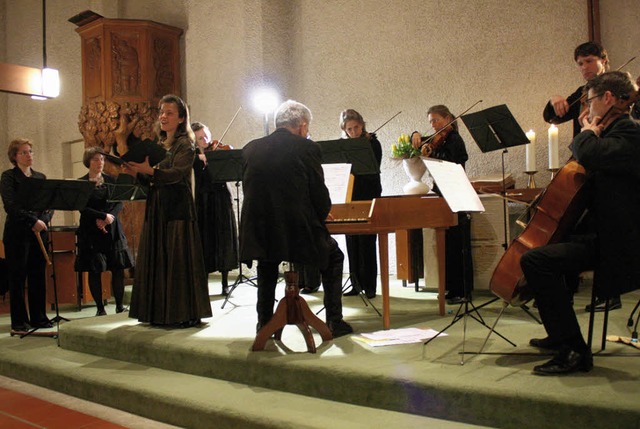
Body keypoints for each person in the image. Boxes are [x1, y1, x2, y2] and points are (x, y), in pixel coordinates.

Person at [522, 71, 640, 375]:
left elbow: (589, 153)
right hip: (600, 234)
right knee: (547, 253)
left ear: (608, 98)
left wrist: (587, 131)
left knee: (536, 261)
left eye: (589, 100)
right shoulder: (612, 132)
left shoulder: (629, 133)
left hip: (619, 242)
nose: (585, 109)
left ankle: (574, 350)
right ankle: (560, 334)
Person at [240, 100, 353, 338]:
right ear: (302, 126)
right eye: (308, 127)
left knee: (267, 263)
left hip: (259, 233)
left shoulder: (251, 148)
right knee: (334, 256)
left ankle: (264, 323)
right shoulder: (307, 148)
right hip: (296, 232)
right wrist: (320, 216)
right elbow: (319, 195)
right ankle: (334, 320)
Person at [542, 41, 618, 312]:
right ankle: (567, 290)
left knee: (603, 230)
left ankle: (609, 293)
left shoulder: (615, 89)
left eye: (589, 61)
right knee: (571, 227)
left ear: (603, 60)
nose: (584, 67)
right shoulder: (582, 93)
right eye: (580, 63)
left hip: (606, 168)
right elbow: (552, 116)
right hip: (582, 166)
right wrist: (554, 101)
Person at [125, 94, 212, 328]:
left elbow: (177, 174)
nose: (163, 116)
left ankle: (182, 313)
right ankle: (158, 313)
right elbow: (152, 180)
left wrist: (150, 172)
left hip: (177, 209)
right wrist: (139, 173)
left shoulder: (186, 144)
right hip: (158, 207)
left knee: (177, 259)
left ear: (181, 117)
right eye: (161, 112)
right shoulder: (159, 144)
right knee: (158, 257)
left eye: (170, 112)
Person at [410, 105, 473, 304]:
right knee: (446, 242)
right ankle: (450, 287)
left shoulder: (455, 139)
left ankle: (461, 290)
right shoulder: (438, 139)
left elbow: (452, 164)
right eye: (430, 121)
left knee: (457, 244)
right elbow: (413, 140)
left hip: (455, 192)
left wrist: (432, 156)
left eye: (436, 120)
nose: (433, 125)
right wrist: (415, 134)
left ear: (447, 118)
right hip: (442, 193)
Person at [74, 147, 134, 316]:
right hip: (91, 230)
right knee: (95, 269)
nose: (99, 162)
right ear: (88, 162)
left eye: (101, 159)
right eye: (95, 159)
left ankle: (120, 306)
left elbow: (119, 202)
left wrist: (109, 217)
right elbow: (82, 206)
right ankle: (100, 308)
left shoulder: (112, 180)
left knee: (117, 268)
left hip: (112, 228)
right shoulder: (81, 183)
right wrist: (101, 216)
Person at [1, 138, 53, 332]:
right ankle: (19, 321)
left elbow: (49, 204)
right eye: (24, 152)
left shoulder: (40, 177)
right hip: (17, 234)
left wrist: (44, 221)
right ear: (15, 156)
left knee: (38, 276)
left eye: (30, 151)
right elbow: (11, 206)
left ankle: (39, 317)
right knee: (17, 277)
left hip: (39, 232)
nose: (29, 155)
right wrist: (33, 221)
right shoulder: (9, 177)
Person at [191, 121, 238, 296]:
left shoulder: (218, 152)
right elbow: (190, 161)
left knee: (224, 238)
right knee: (205, 239)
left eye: (206, 136)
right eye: (200, 138)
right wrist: (200, 157)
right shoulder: (193, 155)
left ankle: (225, 283)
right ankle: (203, 282)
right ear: (195, 141)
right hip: (204, 201)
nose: (206, 140)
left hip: (222, 198)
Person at [339, 109, 382, 299]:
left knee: (367, 240)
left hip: (369, 194)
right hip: (350, 195)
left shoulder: (373, 143)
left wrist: (364, 144)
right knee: (352, 239)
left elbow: (374, 167)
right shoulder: (343, 147)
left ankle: (370, 286)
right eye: (349, 129)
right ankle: (356, 284)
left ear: (362, 125)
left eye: (356, 127)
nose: (353, 132)